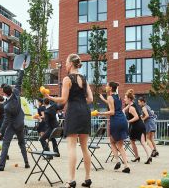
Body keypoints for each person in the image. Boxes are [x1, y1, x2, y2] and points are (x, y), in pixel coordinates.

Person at [45, 54, 93, 188]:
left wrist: (50, 97)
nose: (65, 65)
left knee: (72, 146)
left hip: (74, 112)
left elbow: (63, 100)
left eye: (66, 62)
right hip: (85, 111)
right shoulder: (84, 79)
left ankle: (71, 180)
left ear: (71, 63)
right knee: (85, 147)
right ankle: (87, 179)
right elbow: (90, 99)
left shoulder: (67, 79)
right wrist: (81, 101)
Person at [0, 61, 30, 171]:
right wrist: (22, 68)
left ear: (5, 94)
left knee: (5, 144)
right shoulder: (16, 92)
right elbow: (19, 80)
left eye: (3, 92)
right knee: (22, 143)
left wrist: (0, 132)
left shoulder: (7, 107)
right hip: (20, 123)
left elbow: (6, 121)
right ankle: (26, 163)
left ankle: (1, 165)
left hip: (12, 125)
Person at [98, 82, 130, 173]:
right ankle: (125, 165)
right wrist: (103, 99)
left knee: (113, 143)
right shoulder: (118, 97)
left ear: (111, 88)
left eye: (107, 86)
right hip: (123, 120)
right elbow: (112, 104)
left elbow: (112, 112)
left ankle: (118, 161)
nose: (106, 87)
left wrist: (100, 113)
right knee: (118, 144)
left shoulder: (110, 97)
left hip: (116, 121)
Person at [123, 89, 152, 164]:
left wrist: (128, 121)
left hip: (136, 126)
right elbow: (125, 108)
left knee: (132, 141)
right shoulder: (132, 104)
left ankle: (137, 156)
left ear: (129, 99)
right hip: (141, 125)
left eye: (125, 98)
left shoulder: (131, 108)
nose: (124, 99)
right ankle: (149, 156)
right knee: (143, 142)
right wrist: (123, 110)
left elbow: (136, 117)